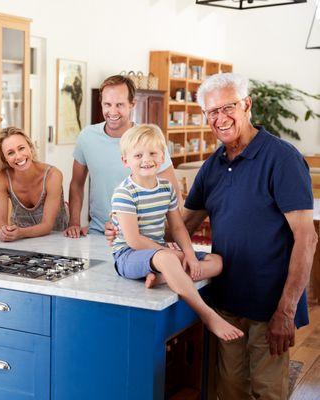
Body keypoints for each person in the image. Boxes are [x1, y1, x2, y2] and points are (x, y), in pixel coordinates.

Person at [107, 73, 317, 399]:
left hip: (269, 305)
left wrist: (286, 311)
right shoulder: (214, 165)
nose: (220, 118)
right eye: (211, 112)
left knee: (268, 391)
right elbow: (182, 224)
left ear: (246, 105)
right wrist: (126, 226)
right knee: (230, 390)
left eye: (228, 107)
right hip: (226, 301)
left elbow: (307, 239)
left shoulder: (282, 159)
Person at [110, 124, 242, 341]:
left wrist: (189, 254)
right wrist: (172, 254)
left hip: (159, 254)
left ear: (162, 156)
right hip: (128, 255)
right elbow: (133, 240)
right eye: (138, 155)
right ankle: (207, 314)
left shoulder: (166, 189)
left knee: (217, 261)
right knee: (168, 258)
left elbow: (178, 227)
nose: (147, 159)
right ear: (126, 161)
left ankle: (162, 278)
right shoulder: (125, 193)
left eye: (153, 153)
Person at [64, 74, 181, 238]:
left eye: (119, 105)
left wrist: (171, 236)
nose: (112, 111)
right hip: (99, 232)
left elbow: (172, 192)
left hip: (143, 236)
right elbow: (76, 184)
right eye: (107, 104)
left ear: (132, 104)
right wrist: (74, 222)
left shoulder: (148, 140)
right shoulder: (87, 137)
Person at [0, 127, 68, 241]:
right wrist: (4, 231)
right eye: (10, 153)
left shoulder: (53, 175)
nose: (18, 156)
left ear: (30, 148)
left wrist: (20, 233)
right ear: (5, 158)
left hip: (56, 240)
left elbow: (47, 226)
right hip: (20, 243)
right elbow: (0, 221)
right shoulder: (2, 178)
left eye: (21, 148)